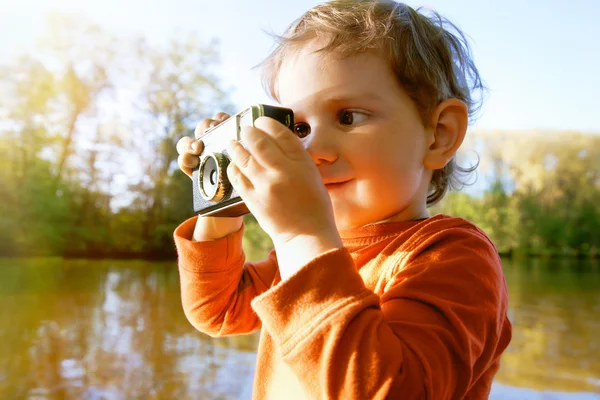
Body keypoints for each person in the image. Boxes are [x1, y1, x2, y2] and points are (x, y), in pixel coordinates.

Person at [174, 0, 512, 398]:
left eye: (348, 117)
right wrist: (223, 202)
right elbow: (218, 309)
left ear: (438, 134)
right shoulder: (304, 255)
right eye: (298, 127)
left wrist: (301, 236)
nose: (313, 150)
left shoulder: (453, 259)